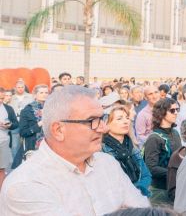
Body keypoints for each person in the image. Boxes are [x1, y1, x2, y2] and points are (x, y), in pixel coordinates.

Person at [0, 85, 149, 215]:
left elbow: (143, 209)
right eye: (93, 121)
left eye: (102, 119)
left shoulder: (107, 163)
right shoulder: (25, 185)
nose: (103, 128)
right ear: (58, 130)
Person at [103, 105, 152, 197]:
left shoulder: (132, 146)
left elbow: (146, 175)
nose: (125, 121)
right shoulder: (102, 151)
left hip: (139, 196)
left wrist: (138, 191)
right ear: (107, 124)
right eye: (119, 119)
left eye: (127, 118)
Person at [143, 98, 183, 205]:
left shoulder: (175, 133)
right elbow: (151, 168)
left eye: (177, 110)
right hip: (160, 191)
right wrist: (175, 172)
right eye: (172, 110)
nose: (176, 113)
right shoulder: (154, 138)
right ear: (161, 112)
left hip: (176, 187)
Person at [12, 84, 49, 168]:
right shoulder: (27, 110)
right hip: (33, 146)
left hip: (50, 145)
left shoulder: (52, 108)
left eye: (46, 92)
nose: (44, 94)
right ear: (35, 95)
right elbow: (23, 132)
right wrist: (39, 124)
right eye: (41, 92)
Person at [8, 81, 34, 158]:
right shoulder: (11, 98)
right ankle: (15, 164)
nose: (20, 89)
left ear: (24, 87)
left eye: (22, 87)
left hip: (28, 124)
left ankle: (28, 161)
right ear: (15, 88)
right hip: (15, 123)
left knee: (28, 143)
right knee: (15, 145)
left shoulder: (31, 96)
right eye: (18, 87)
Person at [0, 95, 18, 189]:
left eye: (2, 98)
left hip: (4, 141)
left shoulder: (8, 108)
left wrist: (9, 125)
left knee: (2, 168)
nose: (1, 100)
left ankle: (1, 192)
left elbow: (15, 124)